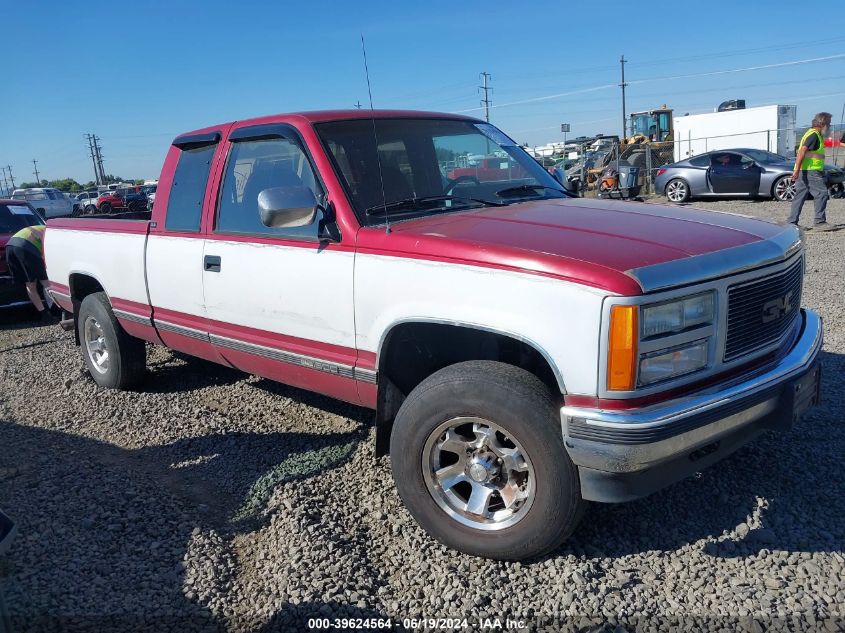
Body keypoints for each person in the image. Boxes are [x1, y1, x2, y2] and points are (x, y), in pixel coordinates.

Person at [788, 112, 834, 230]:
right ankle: (819, 222)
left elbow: (806, 152)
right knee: (822, 194)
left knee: (800, 196)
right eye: (828, 123)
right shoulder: (813, 135)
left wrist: (797, 170)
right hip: (811, 171)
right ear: (822, 124)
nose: (829, 126)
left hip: (805, 170)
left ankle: (792, 223)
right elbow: (802, 151)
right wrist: (797, 170)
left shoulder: (812, 134)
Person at [4, 223, 57, 321]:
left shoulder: (43, 227)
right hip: (26, 247)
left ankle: (44, 314)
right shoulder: (53, 233)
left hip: (9, 247)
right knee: (45, 281)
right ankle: (56, 310)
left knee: (30, 283)